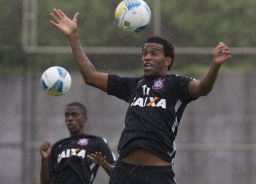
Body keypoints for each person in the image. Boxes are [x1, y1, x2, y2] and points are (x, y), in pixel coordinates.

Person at [49, 8, 231, 184]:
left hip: (158, 174)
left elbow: (202, 88)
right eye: (144, 53)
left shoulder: (176, 84)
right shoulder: (133, 85)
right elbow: (90, 76)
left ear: (167, 60)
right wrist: (73, 37)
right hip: (124, 172)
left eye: (154, 53)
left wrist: (215, 65)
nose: (147, 57)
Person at [39, 102, 116, 184]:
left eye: (74, 115)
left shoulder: (97, 141)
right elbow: (45, 182)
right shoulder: (57, 146)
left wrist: (103, 163)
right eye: (67, 115)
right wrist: (45, 160)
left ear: (85, 119)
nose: (70, 118)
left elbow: (117, 174)